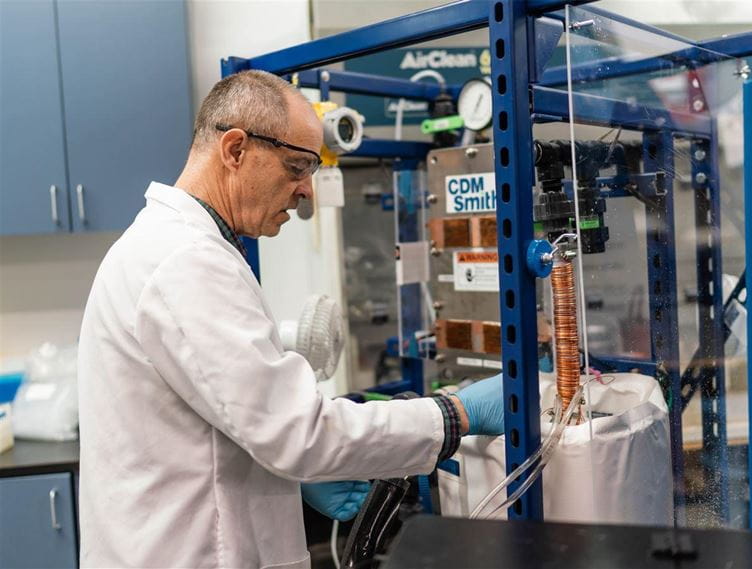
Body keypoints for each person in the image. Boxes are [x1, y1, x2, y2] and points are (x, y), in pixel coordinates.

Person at [78, 70, 505, 568]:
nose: (307, 192)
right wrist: (456, 414)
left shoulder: (177, 248)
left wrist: (295, 475)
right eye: (298, 167)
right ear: (235, 150)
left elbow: (233, 421)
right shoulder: (186, 261)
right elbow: (299, 434)